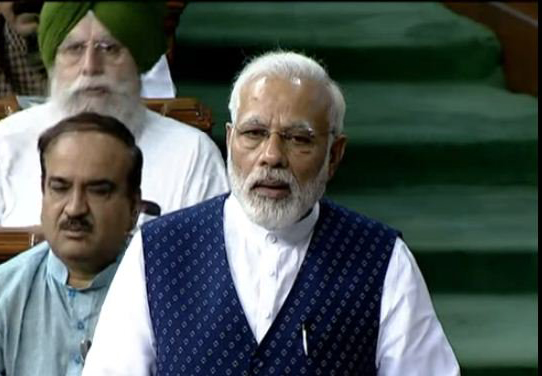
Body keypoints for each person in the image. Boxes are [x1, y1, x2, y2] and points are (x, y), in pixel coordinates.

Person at [82, 51, 460, 375]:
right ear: (230, 140)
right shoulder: (159, 250)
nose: (272, 156)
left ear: (335, 155)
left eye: (299, 139)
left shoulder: (380, 258)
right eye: (254, 133)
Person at [0, 1, 228, 226]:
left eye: (109, 48)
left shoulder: (192, 154)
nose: (90, 66)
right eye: (74, 49)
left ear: (138, 62)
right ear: (53, 61)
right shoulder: (7, 144)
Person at [0, 112, 144, 375]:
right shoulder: (5, 291)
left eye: (98, 190)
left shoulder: (164, 294)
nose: (75, 209)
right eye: (60, 187)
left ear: (134, 206)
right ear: (43, 192)